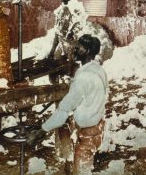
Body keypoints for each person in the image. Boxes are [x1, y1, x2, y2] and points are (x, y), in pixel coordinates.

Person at [27, 34, 108, 174]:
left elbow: (63, 111)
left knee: (81, 171)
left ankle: (75, 163)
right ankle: (68, 159)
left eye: (79, 48)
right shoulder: (98, 69)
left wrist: (40, 132)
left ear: (88, 51)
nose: (75, 50)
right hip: (97, 125)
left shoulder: (83, 78)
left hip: (89, 133)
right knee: (63, 127)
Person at [48, 0, 87, 64]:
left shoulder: (76, 7)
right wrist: (52, 50)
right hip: (64, 42)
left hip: (73, 42)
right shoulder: (61, 9)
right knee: (57, 59)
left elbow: (80, 23)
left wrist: (72, 32)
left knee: (72, 60)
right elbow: (58, 31)